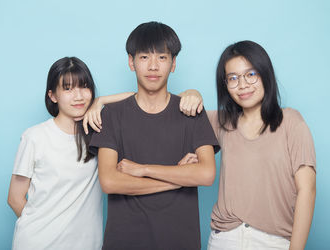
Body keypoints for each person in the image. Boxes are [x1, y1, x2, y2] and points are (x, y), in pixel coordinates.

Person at [88, 21, 220, 250]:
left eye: (162, 57)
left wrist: (143, 169)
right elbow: (109, 181)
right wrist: (179, 180)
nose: (153, 66)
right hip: (124, 241)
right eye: (144, 57)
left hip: (180, 242)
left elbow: (206, 174)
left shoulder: (191, 111)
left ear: (173, 63)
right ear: (131, 62)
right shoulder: (111, 115)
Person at [178, 41, 316, 250]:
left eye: (250, 74)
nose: (242, 85)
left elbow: (307, 190)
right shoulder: (222, 122)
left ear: (265, 74)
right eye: (233, 78)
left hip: (274, 242)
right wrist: (191, 92)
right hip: (223, 240)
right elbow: (163, 108)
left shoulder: (291, 121)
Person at [7, 57, 136, 250]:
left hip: (86, 244)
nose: (78, 96)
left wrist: (100, 101)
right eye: (67, 88)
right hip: (37, 243)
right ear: (53, 96)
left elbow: (139, 99)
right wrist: (45, 230)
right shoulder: (35, 137)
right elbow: (15, 198)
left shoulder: (99, 133)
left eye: (84, 87)